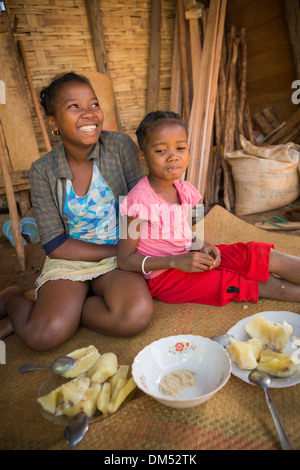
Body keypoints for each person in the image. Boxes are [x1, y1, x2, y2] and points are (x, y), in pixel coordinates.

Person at [0, 72, 153, 350]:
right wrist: (116, 252)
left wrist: (127, 252)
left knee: (135, 315)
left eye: (94, 104)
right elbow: (55, 243)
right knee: (43, 336)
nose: (88, 114)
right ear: (53, 123)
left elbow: (140, 206)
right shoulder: (43, 170)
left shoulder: (119, 146)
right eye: (74, 107)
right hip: (72, 259)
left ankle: (72, 308)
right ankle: (13, 298)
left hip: (120, 255)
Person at [117, 110, 300, 306]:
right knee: (238, 281)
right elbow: (125, 260)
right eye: (161, 150)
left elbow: (183, 234)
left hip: (188, 257)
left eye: (180, 148)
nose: (173, 157)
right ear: (143, 157)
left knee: (254, 255)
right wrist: (174, 262)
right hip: (165, 278)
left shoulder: (183, 189)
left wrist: (201, 244)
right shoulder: (137, 202)